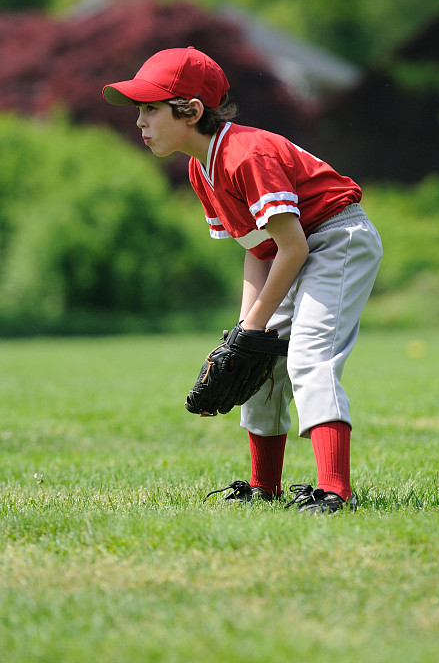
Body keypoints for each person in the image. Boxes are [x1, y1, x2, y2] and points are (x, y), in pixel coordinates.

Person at [103, 46, 382, 513]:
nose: (140, 123)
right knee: (262, 362)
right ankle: (263, 486)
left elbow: (294, 248)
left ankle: (335, 491)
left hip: (338, 237)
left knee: (310, 354)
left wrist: (253, 326)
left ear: (190, 111)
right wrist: (246, 332)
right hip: (296, 248)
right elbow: (259, 249)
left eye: (150, 109)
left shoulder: (245, 154)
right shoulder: (202, 168)